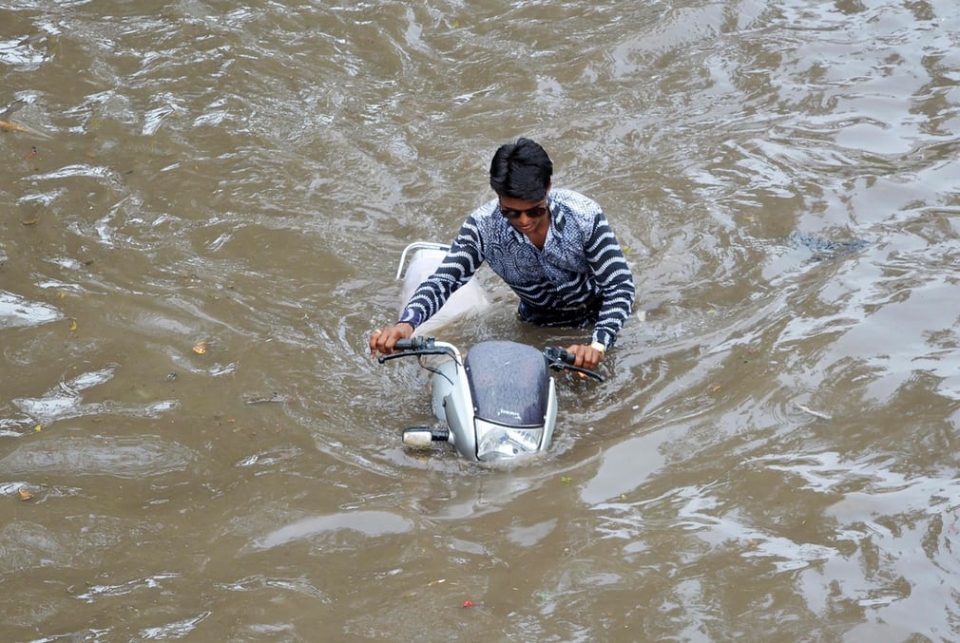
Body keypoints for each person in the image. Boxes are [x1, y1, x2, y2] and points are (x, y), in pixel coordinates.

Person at [369, 137, 636, 371]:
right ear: (497, 196)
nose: (524, 221)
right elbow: (444, 281)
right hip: (537, 322)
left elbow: (620, 286)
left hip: (599, 316)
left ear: (549, 189)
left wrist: (598, 344)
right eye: (511, 212)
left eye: (534, 211)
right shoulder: (483, 228)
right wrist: (406, 325)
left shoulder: (585, 216)